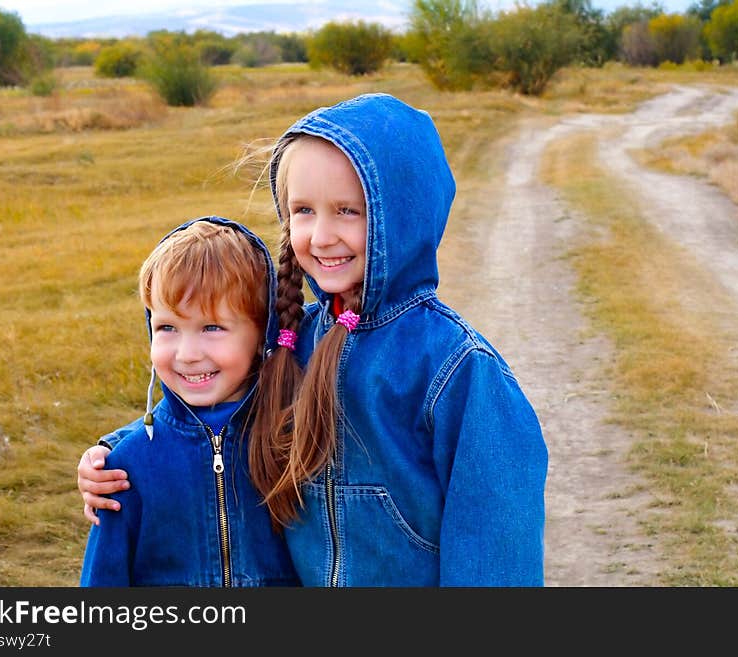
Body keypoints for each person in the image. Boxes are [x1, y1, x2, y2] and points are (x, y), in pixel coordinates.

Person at [79, 93, 548, 586]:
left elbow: (499, 546)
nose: (321, 236)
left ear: (403, 214)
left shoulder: (455, 368)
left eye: (347, 210)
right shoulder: (288, 339)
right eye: (303, 210)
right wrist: (112, 454)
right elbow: (213, 412)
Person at [79, 216, 298, 587]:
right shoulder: (123, 469)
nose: (188, 353)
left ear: (263, 333)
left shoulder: (294, 438)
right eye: (167, 328)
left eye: (212, 328)